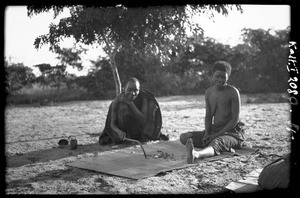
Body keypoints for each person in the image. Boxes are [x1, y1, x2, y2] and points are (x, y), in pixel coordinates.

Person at [179, 61, 245, 163]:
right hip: (215, 130)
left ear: (228, 77)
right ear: (212, 76)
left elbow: (235, 120)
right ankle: (207, 144)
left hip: (232, 133)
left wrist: (216, 135)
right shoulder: (209, 92)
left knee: (217, 142)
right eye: (217, 76)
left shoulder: (233, 92)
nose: (220, 80)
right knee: (184, 137)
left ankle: (196, 154)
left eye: (223, 77)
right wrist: (207, 133)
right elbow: (208, 116)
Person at [99, 77, 168, 145]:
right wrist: (118, 131)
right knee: (123, 107)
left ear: (139, 90)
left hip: (140, 129)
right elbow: (112, 124)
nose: (132, 93)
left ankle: (139, 137)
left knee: (150, 104)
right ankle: (128, 138)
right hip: (125, 131)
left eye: (136, 90)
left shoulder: (144, 98)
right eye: (129, 90)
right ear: (124, 89)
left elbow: (143, 120)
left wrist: (130, 103)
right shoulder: (117, 100)